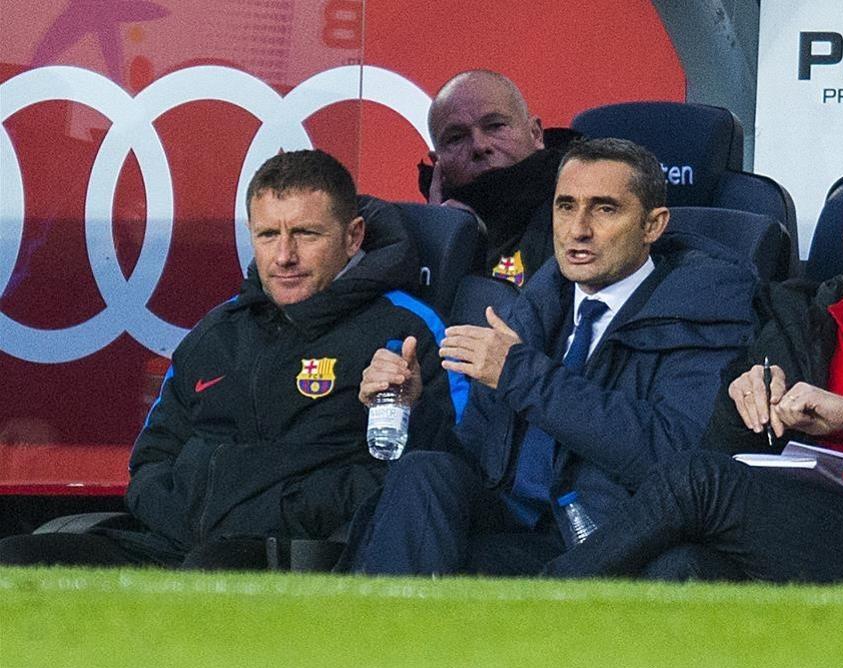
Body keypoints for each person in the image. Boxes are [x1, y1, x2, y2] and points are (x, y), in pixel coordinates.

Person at [544, 156, 843, 583]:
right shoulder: (801, 315)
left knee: (699, 480)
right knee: (679, 568)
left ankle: (542, 600)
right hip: (786, 522)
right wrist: (741, 405)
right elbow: (725, 451)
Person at [0, 149, 456, 570]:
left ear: (353, 236)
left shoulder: (406, 330)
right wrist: (181, 513)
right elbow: (152, 459)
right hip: (176, 542)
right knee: (17, 560)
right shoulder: (215, 333)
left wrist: (284, 513)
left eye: (305, 234)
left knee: (214, 566)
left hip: (298, 551)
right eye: (268, 234)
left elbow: (431, 476)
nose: (284, 256)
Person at [345, 138, 759, 576]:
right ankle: (382, 639)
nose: (578, 229)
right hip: (515, 530)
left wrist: (523, 374)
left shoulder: (702, 309)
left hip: (611, 542)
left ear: (653, 226)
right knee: (423, 472)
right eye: (565, 206)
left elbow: (673, 456)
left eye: (604, 209)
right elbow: (472, 457)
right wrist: (413, 409)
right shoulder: (538, 305)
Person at [419, 69, 582, 286]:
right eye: (456, 138)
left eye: (495, 126)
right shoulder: (417, 240)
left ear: (536, 134)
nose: (479, 146)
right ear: (437, 164)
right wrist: (440, 241)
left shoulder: (582, 209)